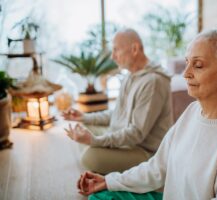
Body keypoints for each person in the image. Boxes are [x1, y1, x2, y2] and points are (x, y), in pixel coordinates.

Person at [76, 21, 217, 200]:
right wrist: (108, 180)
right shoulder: (193, 111)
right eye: (187, 62)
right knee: (101, 196)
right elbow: (157, 167)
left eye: (198, 65)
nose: (186, 73)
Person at [63, 28, 172, 174]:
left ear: (134, 49)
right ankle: (100, 150)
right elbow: (117, 113)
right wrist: (84, 116)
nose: (113, 57)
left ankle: (99, 155)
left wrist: (95, 141)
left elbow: (136, 134)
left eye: (116, 50)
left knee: (90, 157)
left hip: (145, 152)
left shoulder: (153, 82)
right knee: (84, 125)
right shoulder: (130, 75)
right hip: (125, 140)